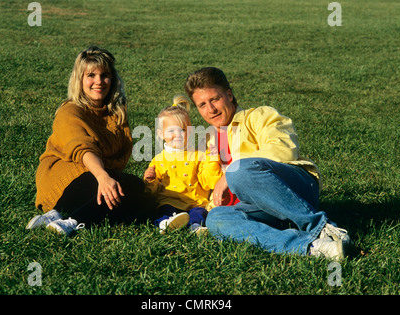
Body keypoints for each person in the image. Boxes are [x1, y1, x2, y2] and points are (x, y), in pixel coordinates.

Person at [184, 67, 350, 260]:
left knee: (239, 171)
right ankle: (313, 246)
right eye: (202, 105)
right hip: (259, 207)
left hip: (294, 189)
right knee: (217, 218)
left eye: (214, 99)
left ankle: (323, 227)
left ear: (229, 95)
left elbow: (284, 148)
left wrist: (229, 172)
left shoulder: (259, 116)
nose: (210, 109)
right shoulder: (209, 140)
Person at [26, 46, 156, 235]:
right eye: (91, 75)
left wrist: (108, 177)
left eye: (105, 75)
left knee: (140, 197)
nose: (99, 82)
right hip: (65, 178)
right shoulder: (70, 110)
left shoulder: (115, 112)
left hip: (99, 176)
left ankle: (57, 216)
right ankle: (71, 219)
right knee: (127, 188)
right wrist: (103, 176)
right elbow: (82, 148)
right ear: (80, 79)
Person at [143, 95, 223, 234]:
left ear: (190, 131)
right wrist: (150, 180)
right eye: (171, 130)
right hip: (169, 200)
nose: (178, 134)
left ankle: (195, 227)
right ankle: (165, 223)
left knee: (198, 212)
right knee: (163, 210)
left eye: (183, 130)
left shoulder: (199, 155)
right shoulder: (159, 159)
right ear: (161, 134)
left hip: (195, 201)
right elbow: (152, 192)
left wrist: (212, 159)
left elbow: (208, 182)